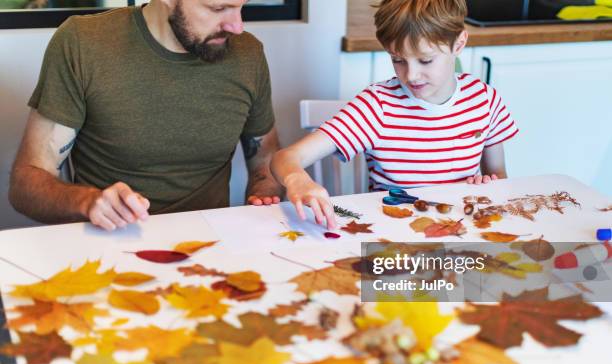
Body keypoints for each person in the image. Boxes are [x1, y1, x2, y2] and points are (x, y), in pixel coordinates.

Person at [9, 0, 283, 231]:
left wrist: (264, 198)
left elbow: (265, 160)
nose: (237, 26)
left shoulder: (248, 54)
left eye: (241, 6)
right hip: (110, 244)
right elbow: (26, 184)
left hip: (210, 249)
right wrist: (88, 202)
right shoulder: (83, 43)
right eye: (217, 8)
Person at [271, 0, 518, 230]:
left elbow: (499, 178)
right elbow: (285, 158)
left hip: (462, 230)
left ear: (459, 44)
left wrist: (488, 187)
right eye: (398, 60)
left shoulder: (484, 100)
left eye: (425, 60)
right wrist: (296, 179)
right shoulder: (377, 106)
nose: (411, 76)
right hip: (393, 233)